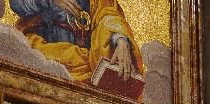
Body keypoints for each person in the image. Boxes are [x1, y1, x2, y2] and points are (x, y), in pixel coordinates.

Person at [9, 0, 144, 84]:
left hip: (90, 64)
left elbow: (108, 13)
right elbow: (18, 4)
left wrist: (120, 39)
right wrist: (51, 2)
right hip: (46, 55)